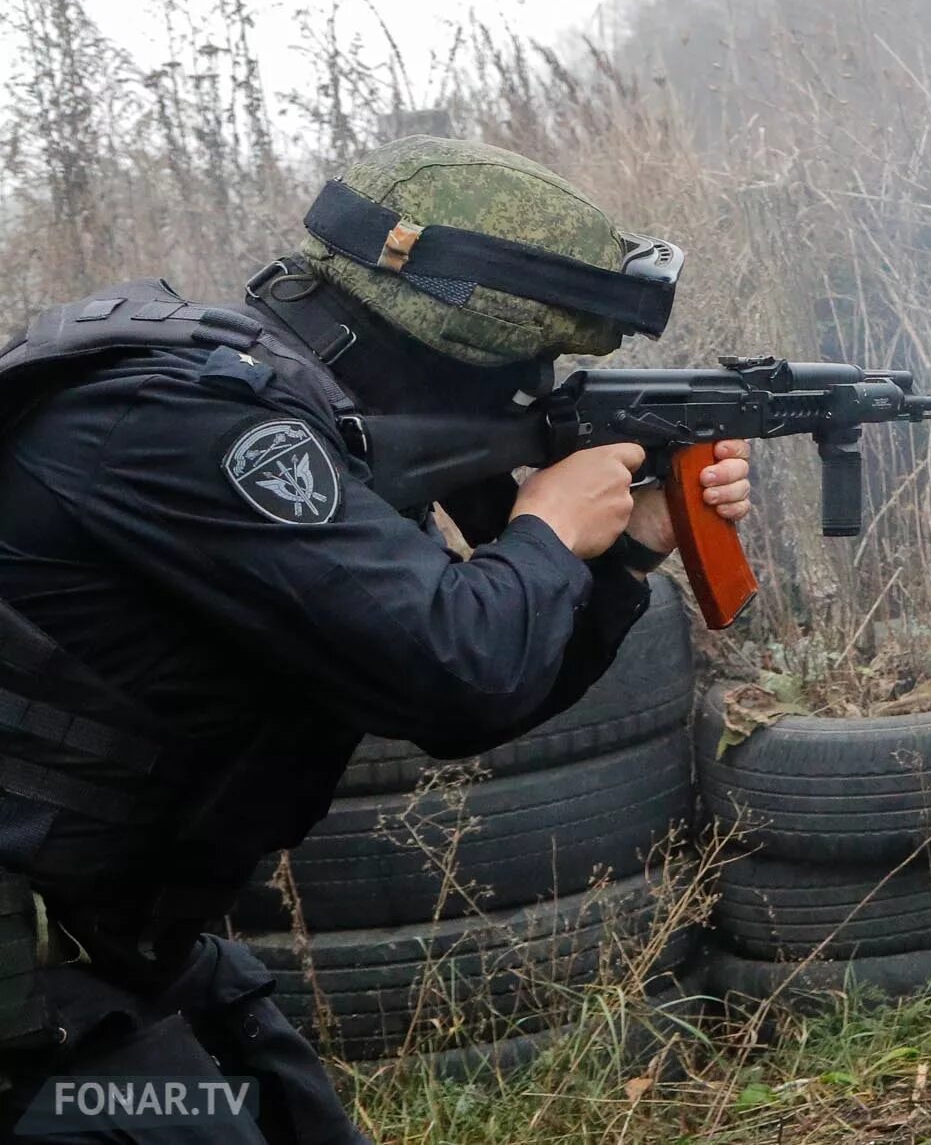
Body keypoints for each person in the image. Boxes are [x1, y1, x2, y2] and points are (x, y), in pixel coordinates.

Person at [0, 136, 752, 1142]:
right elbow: (458, 668)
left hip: (114, 949)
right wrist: (542, 529)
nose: (532, 395)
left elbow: (468, 695)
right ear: (443, 342)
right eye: (524, 369)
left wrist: (620, 555)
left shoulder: (287, 419)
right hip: (35, 992)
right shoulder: (193, 422)